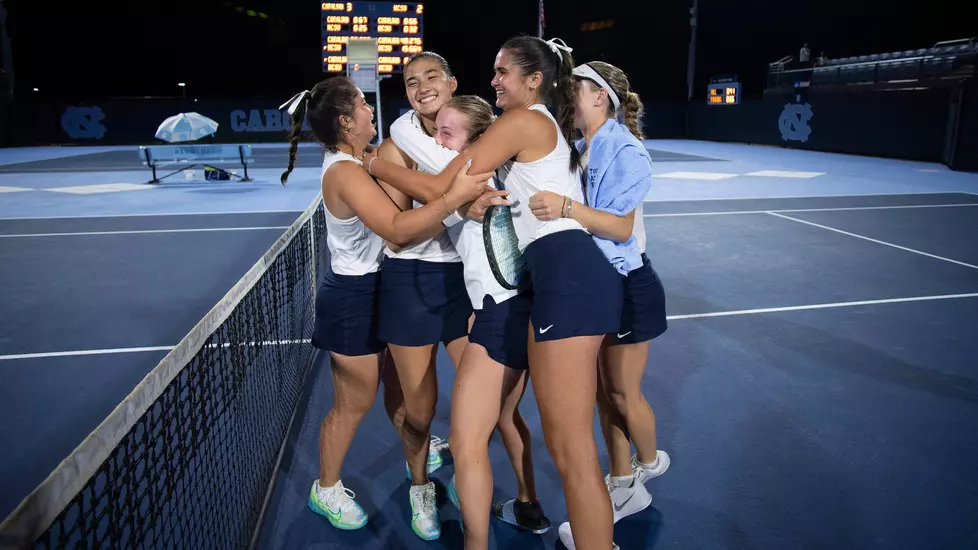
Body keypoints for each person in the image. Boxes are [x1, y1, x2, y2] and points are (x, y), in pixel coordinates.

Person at [365, 36, 624, 550]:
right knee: (560, 447)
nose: (494, 80)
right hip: (554, 284)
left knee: (571, 451)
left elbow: (442, 185)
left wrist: (372, 164)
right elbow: (451, 176)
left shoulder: (522, 120)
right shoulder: (527, 130)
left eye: (503, 71)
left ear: (535, 80)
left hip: (567, 280)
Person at [278, 76, 491, 537]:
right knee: (353, 404)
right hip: (352, 298)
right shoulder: (345, 172)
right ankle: (325, 488)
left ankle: (419, 463)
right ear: (345, 122)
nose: (370, 110)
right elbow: (396, 229)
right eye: (362, 105)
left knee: (403, 394)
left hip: (383, 287)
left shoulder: (362, 159)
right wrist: (456, 203)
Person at [385, 91, 553, 548]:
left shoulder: (470, 173)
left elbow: (407, 145)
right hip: (518, 310)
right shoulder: (497, 172)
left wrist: (374, 163)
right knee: (505, 416)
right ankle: (527, 505)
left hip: (499, 316)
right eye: (437, 132)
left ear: (478, 140)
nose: (438, 141)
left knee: (466, 444)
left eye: (447, 133)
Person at [527, 60, 672, 547]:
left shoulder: (626, 150)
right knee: (602, 395)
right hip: (600, 281)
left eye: (576, 89)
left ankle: (648, 465)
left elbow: (620, 228)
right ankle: (622, 481)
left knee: (622, 393)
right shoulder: (582, 148)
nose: (569, 96)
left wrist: (565, 207)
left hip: (630, 283)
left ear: (600, 97)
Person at [370, 52, 471, 532]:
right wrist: (456, 203)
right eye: (412, 81)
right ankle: (419, 486)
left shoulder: (477, 136)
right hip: (410, 283)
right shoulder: (395, 148)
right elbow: (397, 235)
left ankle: (473, 475)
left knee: (483, 397)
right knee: (421, 409)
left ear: (452, 84)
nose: (422, 86)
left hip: (466, 283)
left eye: (432, 76)